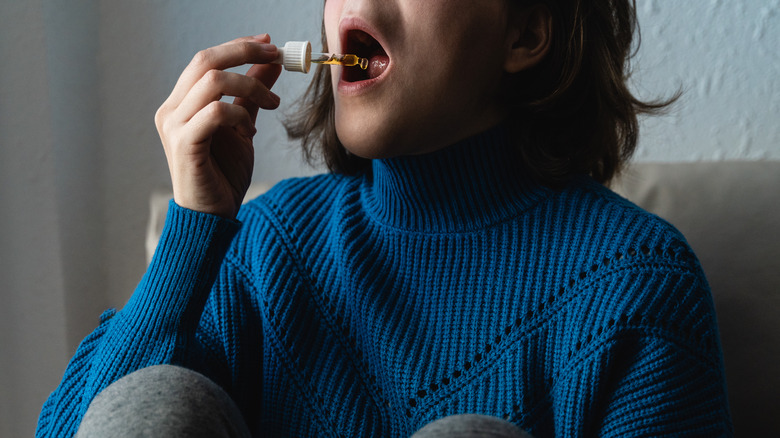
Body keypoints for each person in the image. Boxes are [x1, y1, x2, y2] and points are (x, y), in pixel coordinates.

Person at [37, 0, 733, 436]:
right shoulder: (266, 249)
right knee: (161, 399)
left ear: (525, 32)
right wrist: (194, 230)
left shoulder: (636, 290)